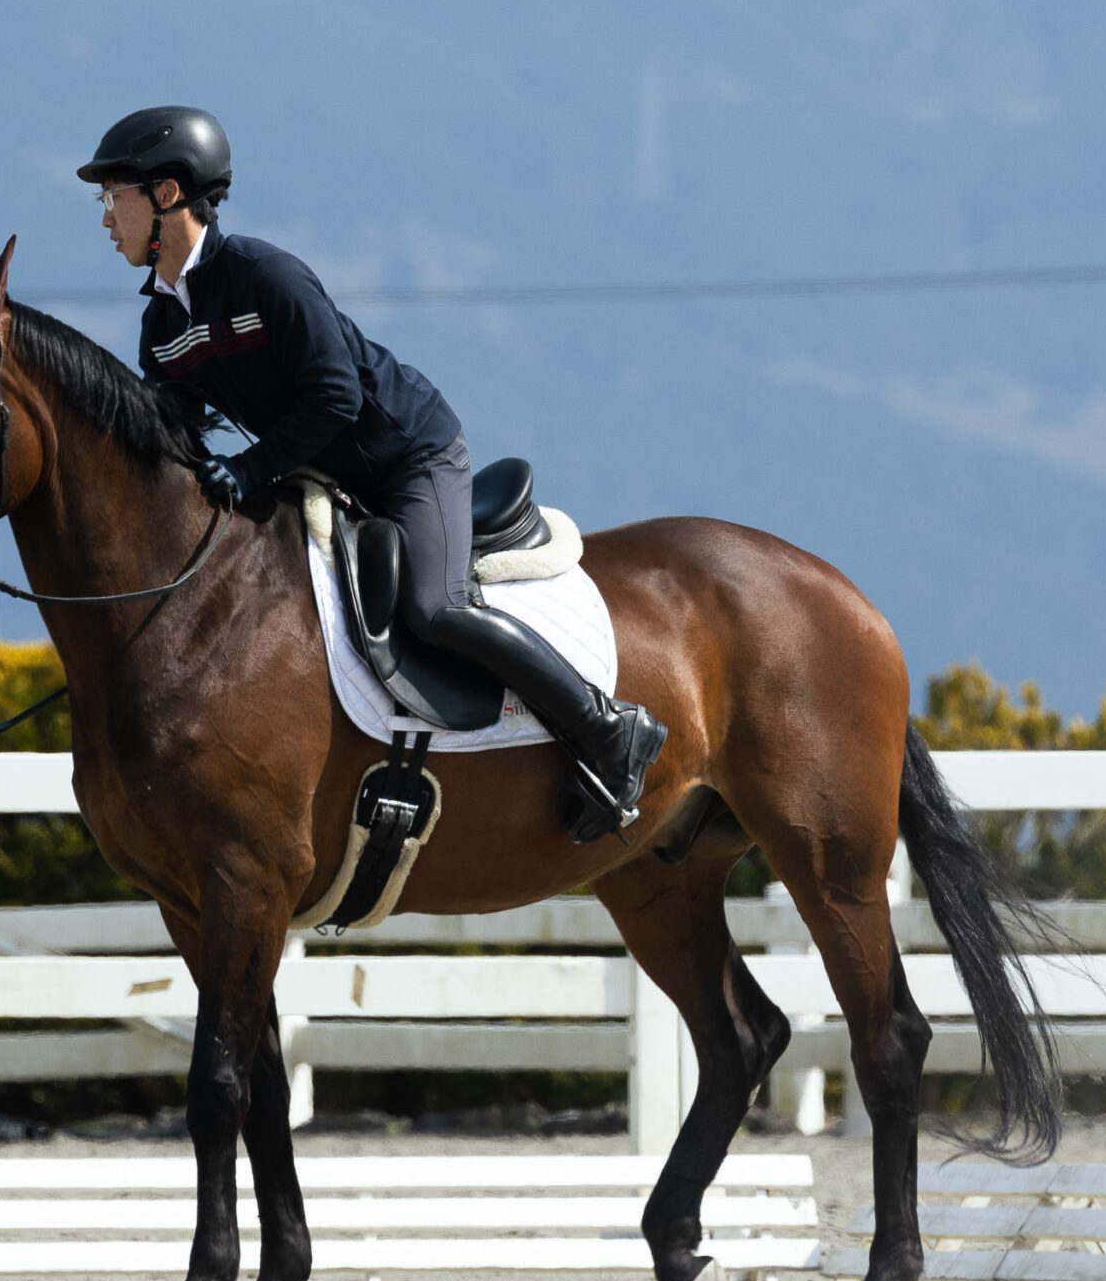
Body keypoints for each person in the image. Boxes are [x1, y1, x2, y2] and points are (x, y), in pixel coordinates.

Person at [78, 106, 666, 840]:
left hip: (411, 455)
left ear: (166, 194)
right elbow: (179, 436)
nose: (105, 216)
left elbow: (337, 395)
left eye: (114, 195)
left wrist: (252, 467)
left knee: (435, 607)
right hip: (328, 476)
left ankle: (610, 727)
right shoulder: (162, 328)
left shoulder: (266, 277)